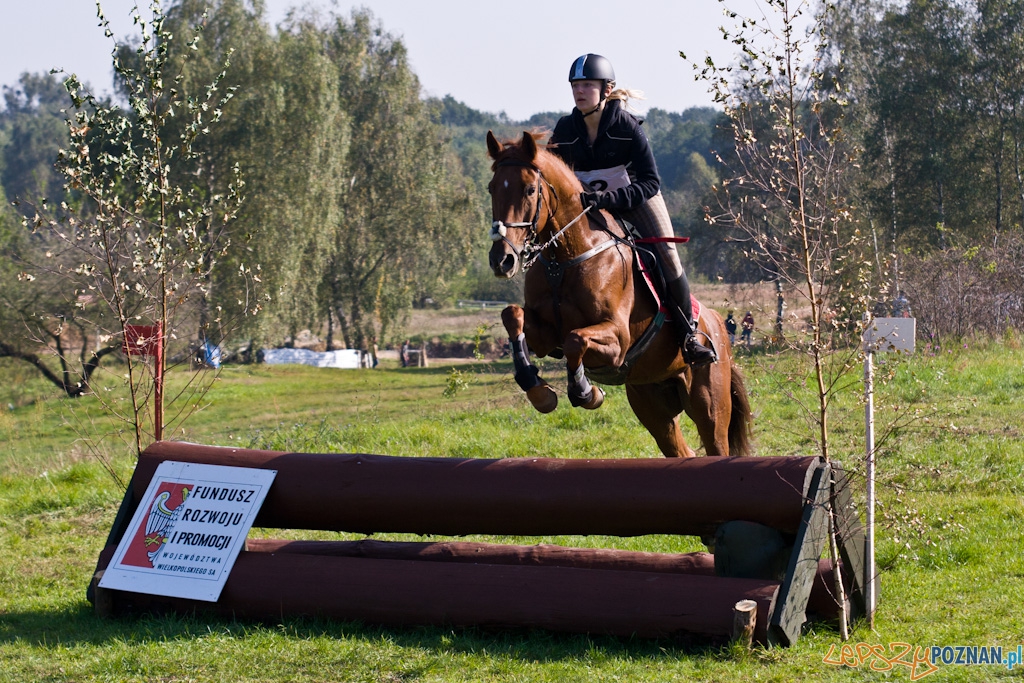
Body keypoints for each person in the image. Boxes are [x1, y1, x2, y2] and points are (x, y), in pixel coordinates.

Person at [549, 54, 716, 366]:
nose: (579, 91)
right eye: (575, 85)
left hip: (636, 200)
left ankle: (688, 334)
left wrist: (611, 200)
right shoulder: (566, 129)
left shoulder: (627, 128)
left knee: (667, 256)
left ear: (607, 89)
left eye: (587, 85)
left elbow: (650, 182)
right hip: (588, 208)